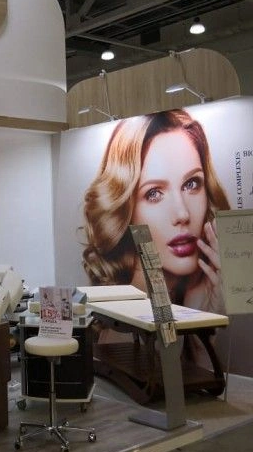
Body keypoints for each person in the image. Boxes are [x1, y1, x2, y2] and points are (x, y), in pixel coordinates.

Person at [82, 109, 230, 315]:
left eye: (191, 184)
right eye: (154, 193)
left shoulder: (204, 294)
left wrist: (207, 319)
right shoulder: (122, 314)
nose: (182, 214)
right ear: (125, 210)